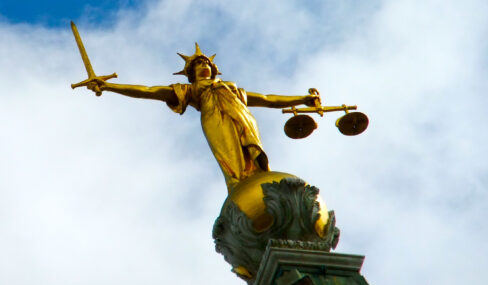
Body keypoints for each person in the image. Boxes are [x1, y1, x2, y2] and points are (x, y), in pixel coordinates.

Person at [84, 44, 318, 193]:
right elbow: (148, 91)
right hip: (215, 121)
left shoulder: (232, 88)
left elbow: (267, 98)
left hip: (243, 119)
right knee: (232, 163)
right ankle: (239, 188)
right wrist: (110, 87)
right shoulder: (191, 91)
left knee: (253, 156)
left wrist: (302, 100)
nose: (203, 65)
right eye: (198, 65)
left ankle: (258, 182)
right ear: (191, 73)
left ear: (214, 68)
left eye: (206, 62)